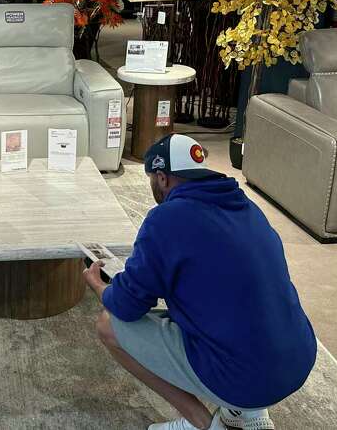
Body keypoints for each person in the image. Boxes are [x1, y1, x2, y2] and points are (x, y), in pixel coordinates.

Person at [83, 134, 316, 430]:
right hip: (297, 360)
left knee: (109, 325)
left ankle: (203, 424)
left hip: (244, 377)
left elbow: (128, 306)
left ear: (162, 178)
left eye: (152, 180)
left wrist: (99, 286)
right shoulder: (248, 208)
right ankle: (243, 413)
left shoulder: (165, 219)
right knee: (218, 305)